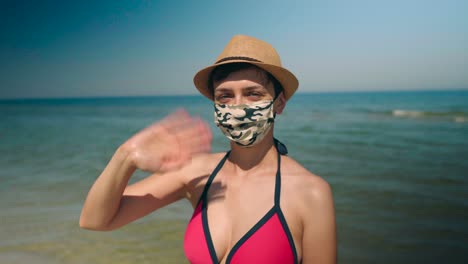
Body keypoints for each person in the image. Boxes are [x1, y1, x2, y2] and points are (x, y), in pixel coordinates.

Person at [80, 35, 336, 264]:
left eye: (252, 94)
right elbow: (95, 220)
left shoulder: (310, 192)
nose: (238, 106)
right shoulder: (197, 173)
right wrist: (126, 156)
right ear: (214, 104)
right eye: (225, 96)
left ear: (279, 103)